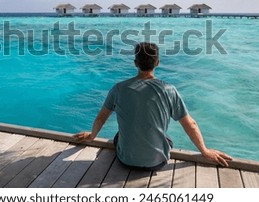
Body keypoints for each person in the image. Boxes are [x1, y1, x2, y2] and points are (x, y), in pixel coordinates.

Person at [74, 42, 232, 170]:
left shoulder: (119, 88)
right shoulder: (169, 90)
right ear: (157, 62)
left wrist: (92, 136)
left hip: (125, 161)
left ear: (135, 63)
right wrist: (205, 151)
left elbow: (102, 117)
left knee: (118, 136)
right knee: (166, 138)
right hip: (157, 163)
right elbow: (190, 124)